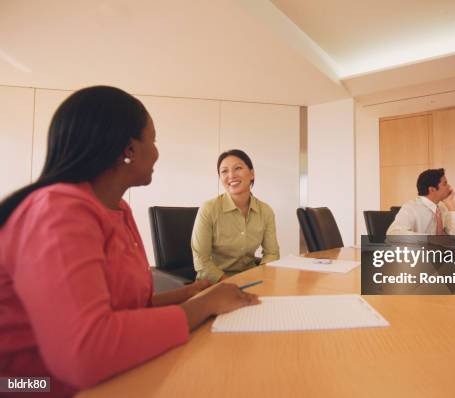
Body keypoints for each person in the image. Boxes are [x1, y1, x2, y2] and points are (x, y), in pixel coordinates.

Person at [0, 86, 259, 397]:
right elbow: (86, 353)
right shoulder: (59, 210)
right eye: (153, 140)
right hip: (29, 386)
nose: (156, 152)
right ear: (129, 150)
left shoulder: (118, 208)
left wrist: (190, 293)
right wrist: (201, 306)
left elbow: (126, 306)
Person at [191, 149, 280, 282]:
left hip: (250, 280)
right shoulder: (208, 209)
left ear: (252, 174)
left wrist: (261, 277)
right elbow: (201, 261)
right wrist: (231, 283)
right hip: (214, 283)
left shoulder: (265, 211)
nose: (231, 175)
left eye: (238, 168)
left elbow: (272, 254)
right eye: (224, 171)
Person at [386, 168, 455, 236]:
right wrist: (428, 240)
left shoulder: (442, 207)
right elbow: (394, 234)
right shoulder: (411, 207)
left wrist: (450, 203)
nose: (449, 186)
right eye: (445, 184)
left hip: (443, 255)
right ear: (432, 189)